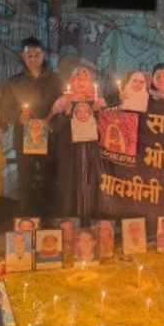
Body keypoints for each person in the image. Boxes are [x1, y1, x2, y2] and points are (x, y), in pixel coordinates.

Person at [0, 38, 62, 220]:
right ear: (23, 57)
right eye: (29, 56)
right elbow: (5, 110)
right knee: (25, 180)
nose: (33, 59)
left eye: (37, 55)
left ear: (44, 55)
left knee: (48, 178)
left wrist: (53, 123)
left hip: (50, 137)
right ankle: (26, 221)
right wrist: (18, 117)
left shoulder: (56, 80)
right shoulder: (14, 83)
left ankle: (48, 220)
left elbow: (63, 106)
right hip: (23, 138)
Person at [48, 66, 104, 222]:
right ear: (72, 81)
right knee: (69, 181)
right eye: (78, 78)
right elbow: (51, 124)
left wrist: (98, 111)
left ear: (90, 81)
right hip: (69, 149)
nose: (82, 82)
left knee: (92, 179)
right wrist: (65, 114)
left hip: (92, 148)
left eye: (85, 79)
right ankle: (71, 219)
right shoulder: (64, 99)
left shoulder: (97, 98)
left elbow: (108, 124)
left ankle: (91, 217)